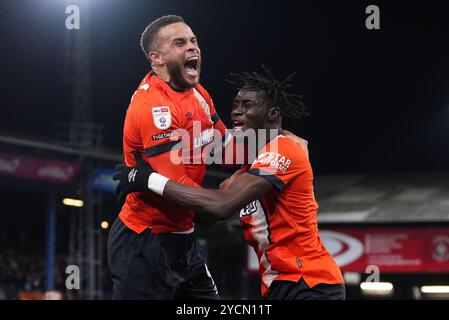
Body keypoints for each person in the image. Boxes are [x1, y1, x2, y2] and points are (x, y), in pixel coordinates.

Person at [113, 68, 346, 300]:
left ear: (272, 113)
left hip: (311, 283)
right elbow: (207, 214)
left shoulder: (284, 150)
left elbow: (220, 206)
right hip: (279, 285)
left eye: (247, 105)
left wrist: (146, 179)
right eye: (235, 105)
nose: (236, 112)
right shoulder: (248, 170)